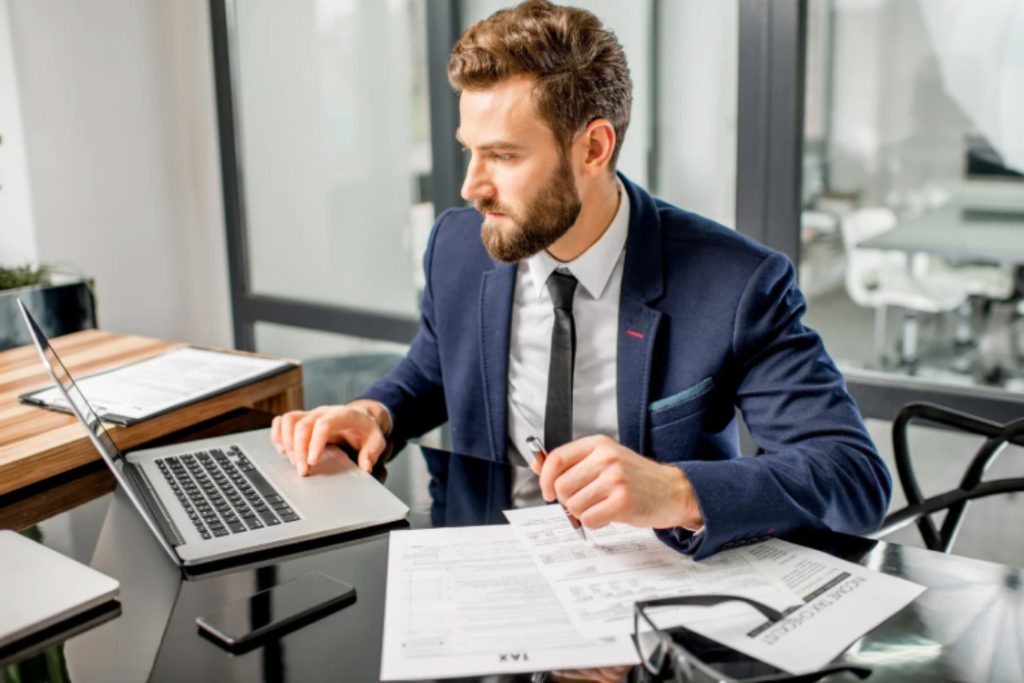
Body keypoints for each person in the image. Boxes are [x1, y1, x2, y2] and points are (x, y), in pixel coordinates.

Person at [271, 0, 891, 559]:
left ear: (594, 148)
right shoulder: (458, 246)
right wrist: (374, 412)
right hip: (485, 563)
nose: (470, 187)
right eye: (470, 150)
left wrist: (676, 490)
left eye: (505, 156)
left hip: (653, 585)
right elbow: (433, 368)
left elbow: (853, 477)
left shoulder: (737, 284)